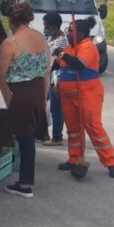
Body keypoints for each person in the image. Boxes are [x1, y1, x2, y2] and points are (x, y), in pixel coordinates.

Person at [0, 2, 50, 199]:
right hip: (36, 92)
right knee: (27, 137)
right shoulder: (41, 38)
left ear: (11, 20)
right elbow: (46, 70)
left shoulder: (11, 42)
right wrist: (43, 99)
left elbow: (0, 75)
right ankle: (25, 184)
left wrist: (3, 99)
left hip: (15, 93)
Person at [55, 16, 114, 178]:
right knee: (73, 129)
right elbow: (58, 67)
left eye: (71, 31)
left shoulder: (88, 47)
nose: (69, 34)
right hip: (68, 95)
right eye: (68, 31)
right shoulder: (70, 48)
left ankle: (110, 163)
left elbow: (79, 64)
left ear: (82, 33)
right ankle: (74, 158)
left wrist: (62, 55)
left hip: (87, 94)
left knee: (94, 128)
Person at [42, 12, 68, 147]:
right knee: (44, 106)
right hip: (47, 76)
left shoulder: (62, 41)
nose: (44, 28)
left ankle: (57, 137)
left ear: (53, 26)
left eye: (46, 25)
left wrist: (59, 82)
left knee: (56, 109)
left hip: (56, 77)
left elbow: (62, 63)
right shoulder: (50, 37)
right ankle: (44, 133)